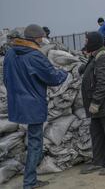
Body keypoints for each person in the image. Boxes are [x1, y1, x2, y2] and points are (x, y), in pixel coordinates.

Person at [3, 24, 68, 188]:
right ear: (35, 38)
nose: (42, 40)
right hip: (33, 105)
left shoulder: (10, 53)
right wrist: (64, 72)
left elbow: (6, 79)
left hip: (17, 104)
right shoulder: (34, 56)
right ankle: (30, 182)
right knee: (35, 143)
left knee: (32, 141)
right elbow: (53, 78)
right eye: (41, 37)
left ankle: (30, 178)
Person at [79, 32, 105, 176]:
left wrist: (96, 102)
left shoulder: (104, 57)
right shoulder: (95, 56)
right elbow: (89, 72)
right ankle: (98, 162)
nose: (85, 43)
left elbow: (103, 82)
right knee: (97, 135)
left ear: (94, 42)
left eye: (87, 41)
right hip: (97, 106)